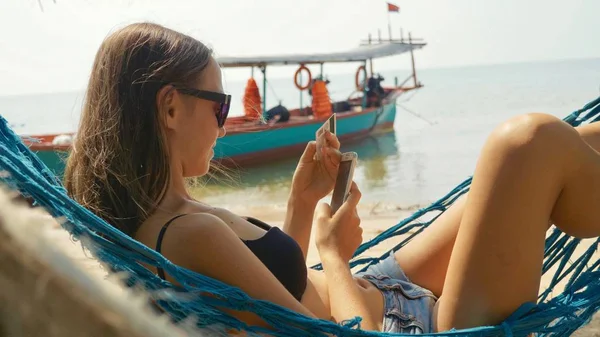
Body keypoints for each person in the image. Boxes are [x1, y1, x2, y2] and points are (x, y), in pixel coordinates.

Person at [63, 22, 600, 334]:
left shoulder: (172, 219)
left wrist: (300, 207)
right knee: (527, 142)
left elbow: (277, 300)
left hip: (384, 287)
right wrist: (336, 255)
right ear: (170, 109)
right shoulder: (184, 232)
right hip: (402, 328)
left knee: (569, 144)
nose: (224, 124)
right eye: (220, 106)